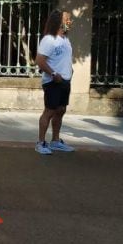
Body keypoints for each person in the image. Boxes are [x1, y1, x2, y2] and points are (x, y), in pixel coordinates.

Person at [35, 10, 76, 155]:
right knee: (50, 111)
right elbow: (40, 61)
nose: (70, 22)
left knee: (61, 110)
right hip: (53, 82)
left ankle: (55, 141)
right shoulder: (49, 39)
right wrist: (52, 73)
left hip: (65, 81)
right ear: (58, 21)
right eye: (67, 20)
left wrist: (69, 71)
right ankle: (40, 143)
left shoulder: (65, 39)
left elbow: (63, 60)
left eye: (70, 20)